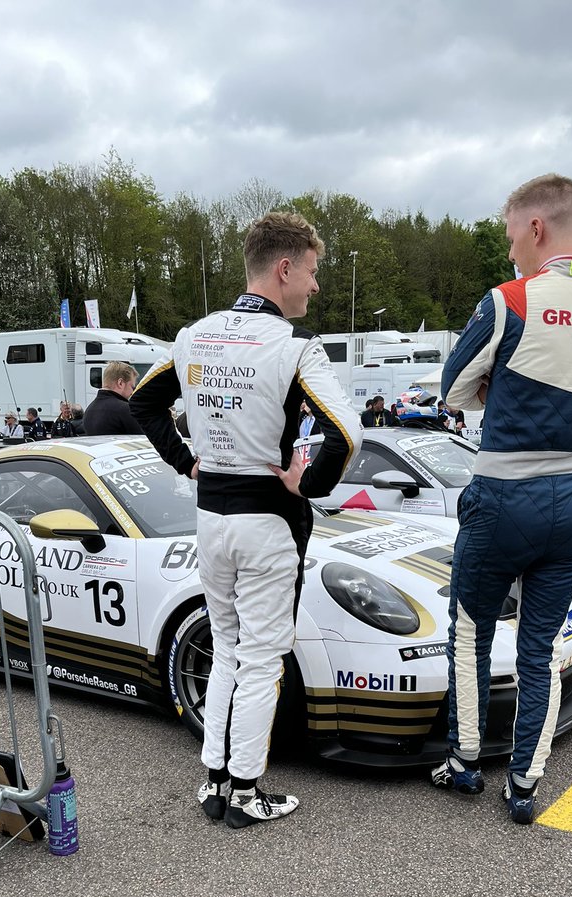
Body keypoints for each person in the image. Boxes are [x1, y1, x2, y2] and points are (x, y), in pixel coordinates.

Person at [131, 210, 359, 829]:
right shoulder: (294, 347)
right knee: (262, 658)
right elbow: (346, 433)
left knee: (228, 650)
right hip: (269, 521)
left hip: (210, 518)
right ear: (284, 270)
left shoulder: (193, 335)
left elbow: (145, 402)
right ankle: (247, 792)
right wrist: (307, 484)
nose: (315, 287)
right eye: (311, 273)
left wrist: (187, 462)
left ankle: (215, 783)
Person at [430, 174, 572, 824]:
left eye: (510, 239)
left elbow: (451, 391)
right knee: (539, 648)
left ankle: (466, 762)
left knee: (469, 633)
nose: (509, 254)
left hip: (503, 493)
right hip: (571, 500)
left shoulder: (509, 300)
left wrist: (501, 388)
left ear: (535, 228)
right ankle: (524, 785)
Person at [82, 362, 143, 436]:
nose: (132, 392)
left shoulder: (89, 411)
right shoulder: (125, 409)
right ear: (120, 383)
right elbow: (143, 440)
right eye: (132, 387)